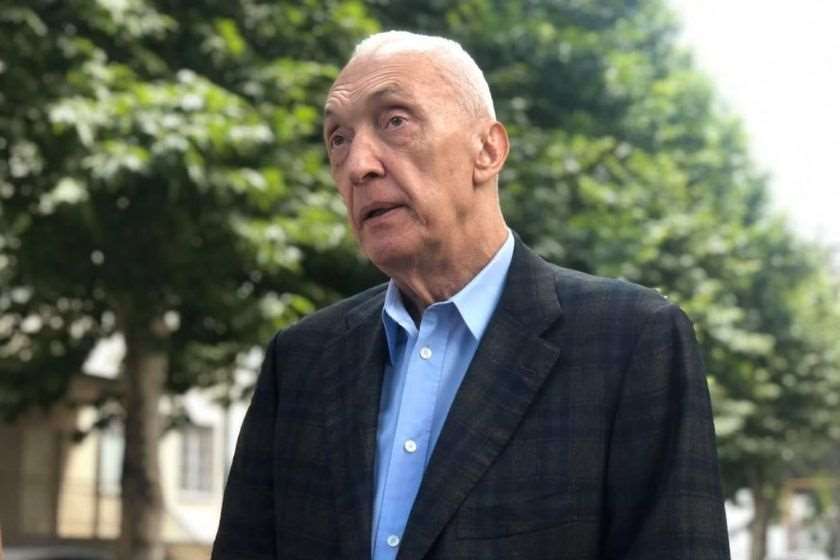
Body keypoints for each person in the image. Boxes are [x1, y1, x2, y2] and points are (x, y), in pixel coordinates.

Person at [212, 31, 730, 559]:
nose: (359, 164)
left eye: (395, 121)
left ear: (488, 150)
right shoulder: (300, 360)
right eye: (338, 139)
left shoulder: (631, 340)